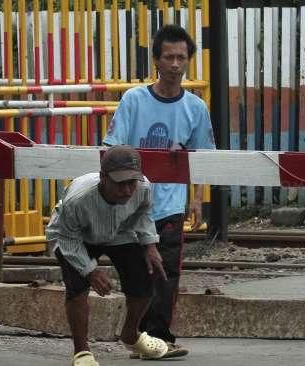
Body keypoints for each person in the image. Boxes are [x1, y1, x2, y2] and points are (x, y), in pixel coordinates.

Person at [102, 24, 216, 357]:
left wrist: (197, 199)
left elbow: (203, 159)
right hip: (132, 204)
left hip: (171, 204)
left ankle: (159, 337)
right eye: (169, 57)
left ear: (189, 60)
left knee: (167, 272)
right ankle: (137, 336)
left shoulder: (196, 108)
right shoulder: (134, 100)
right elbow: (114, 147)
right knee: (138, 273)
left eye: (182, 57)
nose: (175, 64)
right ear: (156, 59)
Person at [46, 145, 185, 365]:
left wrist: (149, 244)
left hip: (118, 230)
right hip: (75, 236)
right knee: (77, 286)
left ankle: (131, 334)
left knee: (144, 278)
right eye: (120, 183)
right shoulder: (78, 199)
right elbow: (67, 238)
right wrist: (90, 271)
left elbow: (143, 211)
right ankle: (82, 352)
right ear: (103, 177)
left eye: (132, 183)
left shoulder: (143, 188)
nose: (128, 190)